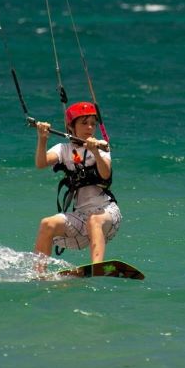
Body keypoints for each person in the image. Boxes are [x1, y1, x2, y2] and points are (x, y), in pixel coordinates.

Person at [33, 101, 121, 267]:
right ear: (71, 127)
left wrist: (95, 151)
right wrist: (42, 139)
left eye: (92, 124)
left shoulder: (102, 147)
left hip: (107, 213)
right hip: (81, 218)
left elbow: (105, 174)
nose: (89, 128)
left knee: (94, 220)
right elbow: (41, 163)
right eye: (84, 123)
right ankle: (39, 275)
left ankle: (96, 267)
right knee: (47, 223)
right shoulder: (63, 149)